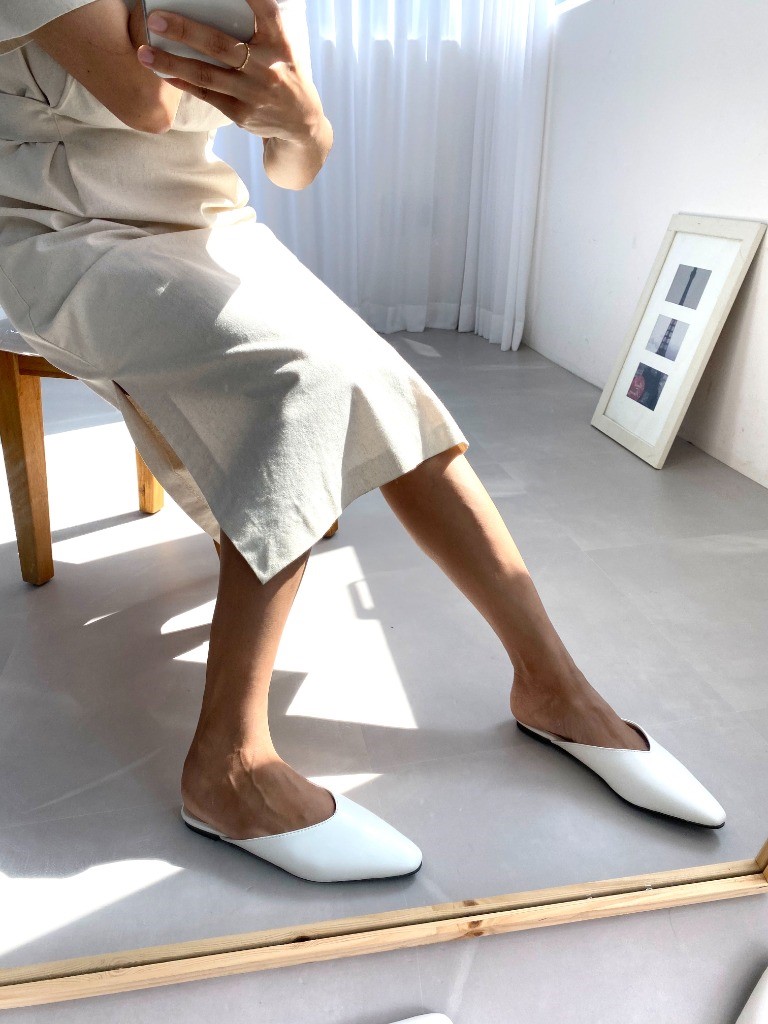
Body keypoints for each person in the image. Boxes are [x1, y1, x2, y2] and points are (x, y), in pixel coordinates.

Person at [0, 0, 725, 884]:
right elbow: (144, 101)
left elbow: (295, 164)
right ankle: (228, 766)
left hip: (206, 224)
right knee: (301, 382)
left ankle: (553, 684)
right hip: (62, 237)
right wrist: (268, 86)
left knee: (382, 379)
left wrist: (306, 123)